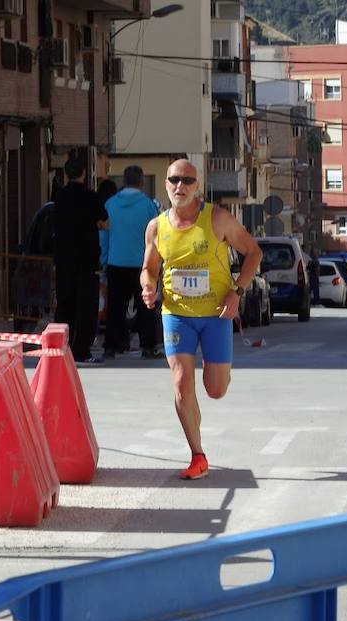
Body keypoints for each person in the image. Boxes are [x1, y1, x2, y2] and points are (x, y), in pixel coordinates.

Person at [140, 159, 262, 480]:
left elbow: (253, 252)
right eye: (174, 180)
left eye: (187, 181)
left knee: (215, 389)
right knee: (181, 380)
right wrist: (149, 288)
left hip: (215, 314)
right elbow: (149, 268)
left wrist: (237, 290)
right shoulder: (156, 227)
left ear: (198, 187)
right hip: (177, 315)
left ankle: (219, 370)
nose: (180, 186)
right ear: (166, 184)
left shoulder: (217, 219)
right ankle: (198, 455)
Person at [52, 156, 108, 365]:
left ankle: (60, 348)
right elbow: (105, 222)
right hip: (87, 261)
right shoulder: (91, 197)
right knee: (86, 308)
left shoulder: (59, 196)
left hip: (64, 260)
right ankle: (81, 351)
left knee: (64, 305)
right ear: (84, 173)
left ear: (66, 174)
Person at [104, 166, 161, 359]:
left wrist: (103, 258)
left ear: (124, 181)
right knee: (146, 306)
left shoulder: (110, 204)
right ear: (141, 182)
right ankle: (148, 346)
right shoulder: (148, 205)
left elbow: (104, 234)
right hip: (142, 265)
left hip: (115, 262)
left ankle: (111, 345)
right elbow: (157, 237)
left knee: (115, 307)